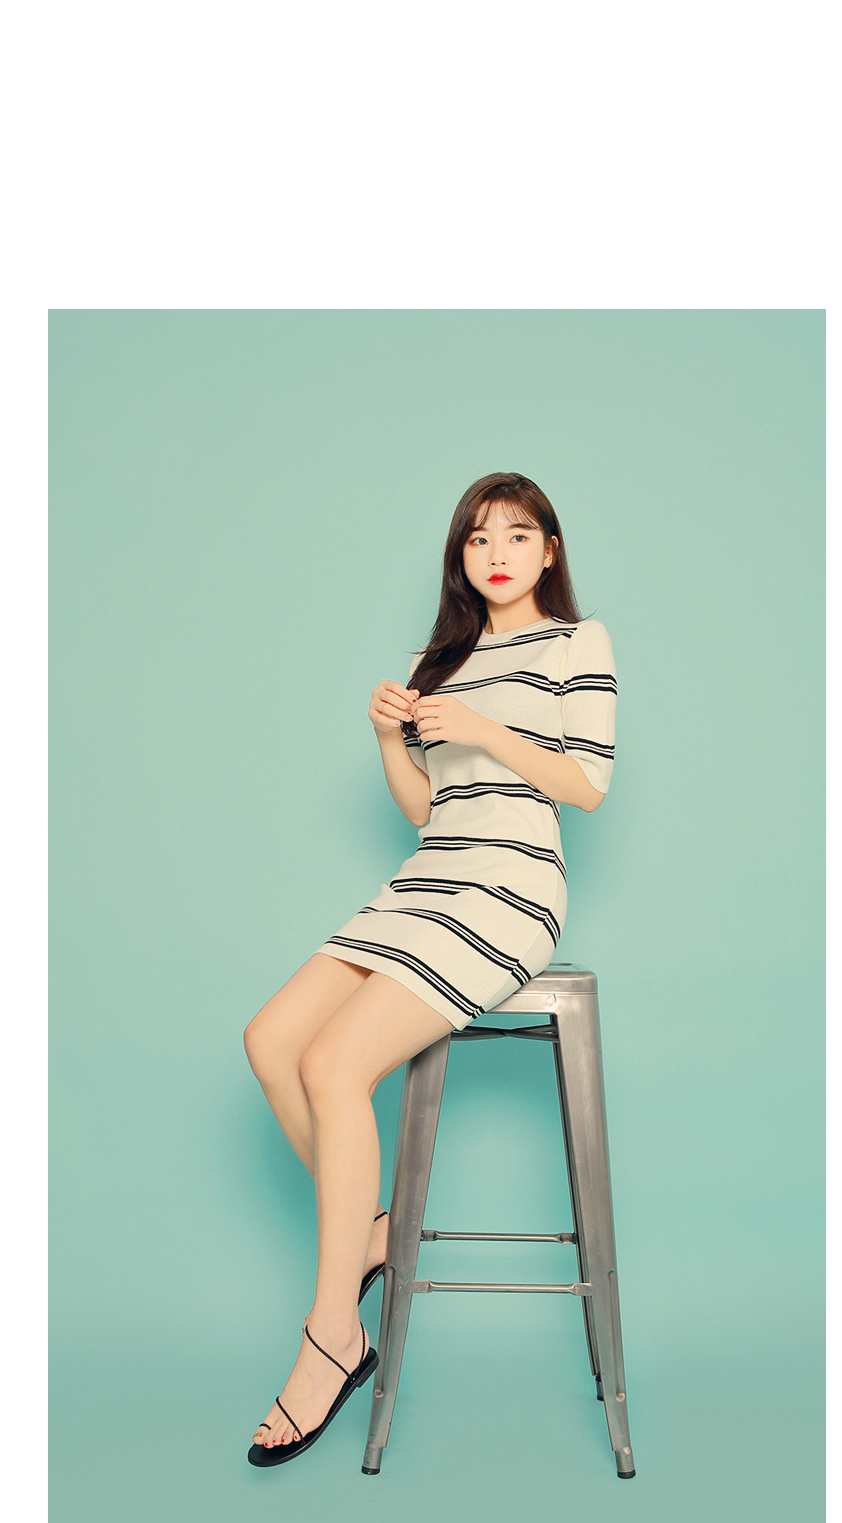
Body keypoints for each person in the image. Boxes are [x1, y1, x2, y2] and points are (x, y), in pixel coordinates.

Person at [243, 471, 618, 1465]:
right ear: (460, 557)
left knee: (334, 1065)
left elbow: (586, 786)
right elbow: (427, 810)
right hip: (428, 877)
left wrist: (490, 728)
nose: (496, 552)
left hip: (510, 885)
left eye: (517, 534)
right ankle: (374, 1229)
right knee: (271, 1040)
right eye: (477, 538)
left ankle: (332, 1334)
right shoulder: (434, 661)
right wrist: (387, 737)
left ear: (549, 549)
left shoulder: (578, 642)